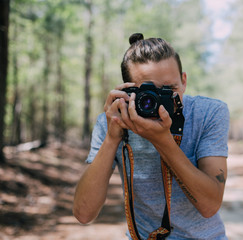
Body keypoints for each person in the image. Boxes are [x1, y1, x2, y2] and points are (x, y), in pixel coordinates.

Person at [73, 33, 230, 239]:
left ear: (183, 81)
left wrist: (162, 140)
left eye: (170, 89)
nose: (157, 102)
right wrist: (112, 138)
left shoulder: (209, 113)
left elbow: (210, 206)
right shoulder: (112, 121)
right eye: (149, 93)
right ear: (127, 92)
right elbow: (84, 213)